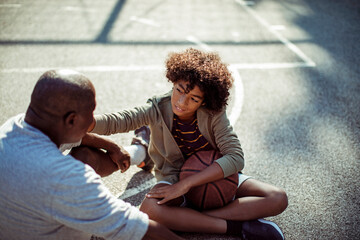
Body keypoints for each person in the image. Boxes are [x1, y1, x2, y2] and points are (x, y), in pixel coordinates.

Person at [85, 48, 288, 239]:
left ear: (204, 101)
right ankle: (235, 227)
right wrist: (85, 121)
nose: (181, 102)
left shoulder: (214, 114)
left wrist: (186, 184)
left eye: (193, 98)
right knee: (149, 208)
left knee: (277, 198)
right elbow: (121, 120)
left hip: (212, 177)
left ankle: (193, 218)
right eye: (179, 90)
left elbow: (236, 158)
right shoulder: (157, 107)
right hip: (173, 176)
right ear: (173, 83)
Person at [0, 69, 184, 240]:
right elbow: (138, 229)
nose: (92, 119)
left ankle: (140, 152)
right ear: (72, 119)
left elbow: (75, 137)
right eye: (91, 113)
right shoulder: (65, 177)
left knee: (86, 155)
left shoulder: (13, 127)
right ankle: (141, 151)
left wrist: (113, 147)